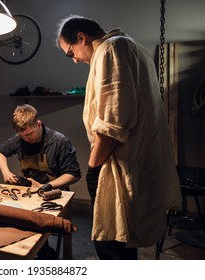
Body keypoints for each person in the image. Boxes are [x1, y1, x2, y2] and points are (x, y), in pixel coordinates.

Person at [56, 15, 182, 260]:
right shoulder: (132, 46)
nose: (74, 60)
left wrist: (93, 167)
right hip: (134, 161)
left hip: (117, 162)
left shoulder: (111, 49)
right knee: (123, 242)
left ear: (81, 38)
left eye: (70, 52)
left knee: (111, 245)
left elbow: (113, 123)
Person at [0, 104, 81, 193]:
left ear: (39, 124)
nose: (26, 139)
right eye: (22, 136)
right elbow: (0, 153)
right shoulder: (19, 139)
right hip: (27, 192)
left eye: (29, 134)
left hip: (53, 193)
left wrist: (43, 186)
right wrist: (6, 172)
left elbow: (73, 174)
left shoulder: (59, 141)